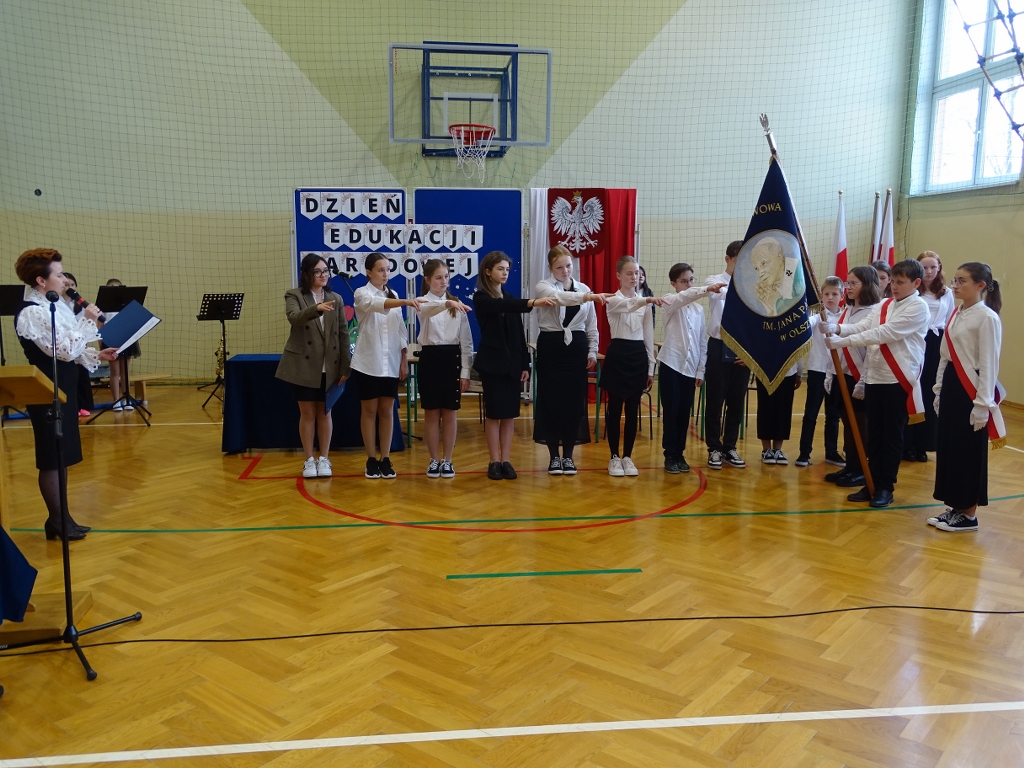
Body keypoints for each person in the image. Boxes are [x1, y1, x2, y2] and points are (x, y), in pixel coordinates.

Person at [14, 249, 119, 541]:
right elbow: (63, 350)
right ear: (41, 280)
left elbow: (72, 349)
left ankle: (62, 518)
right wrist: (88, 320)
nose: (64, 280)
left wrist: (97, 354)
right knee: (51, 456)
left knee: (63, 454)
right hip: (46, 389)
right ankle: (58, 520)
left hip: (65, 387)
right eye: (59, 275)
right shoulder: (33, 312)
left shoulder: (56, 306)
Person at [824, 259, 929, 508]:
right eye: (893, 281)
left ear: (916, 283)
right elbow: (864, 325)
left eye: (900, 282)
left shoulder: (919, 307)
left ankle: (885, 487)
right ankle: (871, 482)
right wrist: (837, 328)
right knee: (875, 435)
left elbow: (885, 333)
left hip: (897, 379)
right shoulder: (885, 304)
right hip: (875, 377)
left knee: (891, 436)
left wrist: (843, 341)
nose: (894, 286)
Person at [928, 262, 1003, 533]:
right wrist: (938, 390)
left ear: (980, 285)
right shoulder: (956, 313)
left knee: (968, 450)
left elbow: (989, 363)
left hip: (971, 391)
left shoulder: (987, 317)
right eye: (955, 280)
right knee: (950, 447)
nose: (955, 285)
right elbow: (945, 356)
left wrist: (983, 405)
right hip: (952, 387)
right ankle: (956, 506)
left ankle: (969, 513)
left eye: (962, 281)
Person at [473, 251, 556, 480]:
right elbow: (500, 305)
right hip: (492, 365)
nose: (505, 273)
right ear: (488, 271)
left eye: (507, 269)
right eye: (500, 269)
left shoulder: (509, 298)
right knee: (494, 414)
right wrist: (533, 302)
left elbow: (519, 334)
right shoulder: (481, 297)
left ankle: (506, 459)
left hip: (512, 365)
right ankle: (494, 460)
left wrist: (525, 364)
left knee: (509, 415)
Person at [533, 245, 610, 475]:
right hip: (551, 347)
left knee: (573, 403)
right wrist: (587, 297)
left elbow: (592, 325)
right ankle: (553, 457)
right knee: (551, 402)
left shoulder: (584, 288)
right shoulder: (543, 287)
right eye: (559, 267)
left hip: (576, 350)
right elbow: (560, 299)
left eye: (568, 265)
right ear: (550, 268)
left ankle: (568, 455)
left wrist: (592, 351)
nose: (565, 271)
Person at [275, 253, 351, 479]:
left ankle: (324, 458)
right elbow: (294, 318)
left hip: (330, 365)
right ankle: (309, 459)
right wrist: (316, 309)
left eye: (325, 271)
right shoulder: (295, 295)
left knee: (325, 412)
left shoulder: (336, 298)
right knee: (307, 413)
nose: (323, 275)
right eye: (317, 272)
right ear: (307, 274)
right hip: (303, 365)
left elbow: (343, 333)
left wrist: (346, 366)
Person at [352, 253, 422, 480]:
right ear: (369, 272)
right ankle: (371, 459)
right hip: (368, 362)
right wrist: (405, 302)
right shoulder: (361, 293)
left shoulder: (394, 295)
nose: (385, 274)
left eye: (388, 269)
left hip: (390, 363)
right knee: (369, 411)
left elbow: (401, 331)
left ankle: (385, 458)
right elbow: (376, 305)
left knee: (387, 411)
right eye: (380, 270)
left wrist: (403, 359)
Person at [657, 264, 724, 473]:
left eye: (691, 280)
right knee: (671, 412)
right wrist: (706, 289)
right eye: (684, 281)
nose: (689, 284)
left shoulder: (698, 310)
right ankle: (670, 454)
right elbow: (683, 297)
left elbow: (702, 342)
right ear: (674, 283)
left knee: (684, 413)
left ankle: (680, 453)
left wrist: (700, 370)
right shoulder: (669, 300)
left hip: (690, 368)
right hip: (671, 364)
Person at [603, 256, 664, 477]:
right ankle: (614, 456)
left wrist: (650, 368)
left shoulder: (645, 303)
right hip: (618, 354)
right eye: (629, 273)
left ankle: (627, 456)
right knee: (614, 408)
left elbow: (648, 335)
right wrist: (647, 300)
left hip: (637, 356)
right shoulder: (613, 300)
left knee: (632, 409)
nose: (634, 277)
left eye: (637, 273)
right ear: (618, 276)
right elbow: (628, 305)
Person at [822, 265, 882, 488]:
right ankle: (850, 466)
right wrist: (830, 372)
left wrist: (863, 380)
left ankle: (860, 469)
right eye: (848, 283)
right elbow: (837, 346)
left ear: (867, 285)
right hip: (843, 373)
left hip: (859, 375)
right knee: (847, 421)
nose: (849, 287)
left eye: (854, 283)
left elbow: (870, 349)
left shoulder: (873, 312)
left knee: (859, 424)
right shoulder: (847, 310)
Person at [416, 259, 473, 479]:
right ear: (427, 279)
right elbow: (427, 311)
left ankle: (448, 460)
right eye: (438, 277)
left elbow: (466, 342)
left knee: (450, 412)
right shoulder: (422, 301)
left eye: (446, 277)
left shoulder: (457, 305)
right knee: (431, 412)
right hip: (430, 358)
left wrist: (465, 372)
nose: (443, 281)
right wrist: (447, 304)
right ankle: (434, 460)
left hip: (452, 359)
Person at [903, 251, 955, 462]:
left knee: (929, 392)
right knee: (912, 390)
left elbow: (950, 321)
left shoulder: (946, 292)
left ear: (939, 268)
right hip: (916, 341)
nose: (929, 271)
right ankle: (906, 444)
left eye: (934, 267)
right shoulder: (911, 292)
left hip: (936, 343)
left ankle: (923, 443)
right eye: (924, 267)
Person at [704, 241, 749, 470]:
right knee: (715, 400)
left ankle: (730, 446)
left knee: (736, 401)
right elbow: (720, 295)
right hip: (718, 344)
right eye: (738, 259)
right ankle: (714, 447)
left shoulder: (752, 285)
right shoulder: (714, 280)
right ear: (728, 259)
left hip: (743, 348)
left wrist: (750, 352)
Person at [795, 276, 844, 467]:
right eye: (827, 294)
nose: (830, 297)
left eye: (834, 294)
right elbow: (806, 325)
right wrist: (808, 315)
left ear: (841, 296)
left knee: (833, 415)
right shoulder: (818, 315)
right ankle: (804, 453)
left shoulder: (845, 316)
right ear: (821, 295)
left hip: (837, 371)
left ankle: (831, 452)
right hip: (817, 369)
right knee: (811, 413)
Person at [99, 278, 140, 411]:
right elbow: (100, 327)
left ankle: (127, 398)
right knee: (115, 372)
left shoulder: (125, 306)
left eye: (116, 287)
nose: (114, 289)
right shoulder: (104, 306)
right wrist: (101, 344)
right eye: (111, 287)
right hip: (111, 339)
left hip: (126, 338)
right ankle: (116, 400)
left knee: (125, 372)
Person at [61, 272, 96, 415]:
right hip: (67, 345)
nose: (69, 287)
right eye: (66, 284)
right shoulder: (58, 306)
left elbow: (85, 325)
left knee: (82, 377)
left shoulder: (80, 307)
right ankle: (72, 407)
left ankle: (84, 405)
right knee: (70, 380)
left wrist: (85, 345)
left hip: (80, 346)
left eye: (72, 285)